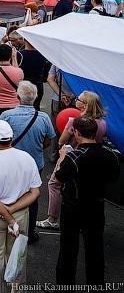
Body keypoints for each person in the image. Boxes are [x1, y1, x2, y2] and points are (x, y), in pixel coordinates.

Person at [0, 118, 41, 290]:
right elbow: (35, 192)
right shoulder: (26, 158)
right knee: (18, 256)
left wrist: (7, 216)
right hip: (20, 214)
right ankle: (17, 289)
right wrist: (12, 211)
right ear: (11, 138)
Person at [54, 116, 120, 285]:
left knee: (68, 250)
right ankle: (96, 285)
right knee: (95, 249)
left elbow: (60, 177)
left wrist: (62, 158)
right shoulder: (110, 155)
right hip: (96, 205)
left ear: (76, 133)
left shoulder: (74, 157)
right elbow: (113, 177)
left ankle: (65, 286)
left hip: (73, 206)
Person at [38, 90, 108, 231]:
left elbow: (61, 141)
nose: (76, 100)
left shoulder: (74, 121)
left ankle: (52, 219)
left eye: (79, 99)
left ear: (85, 105)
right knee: (83, 189)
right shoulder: (102, 124)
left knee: (54, 184)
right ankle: (83, 222)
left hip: (70, 158)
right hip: (90, 161)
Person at [0, 81, 53, 241]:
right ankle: (29, 232)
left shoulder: (7, 116)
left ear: (17, 97)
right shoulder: (43, 118)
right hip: (34, 163)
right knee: (32, 197)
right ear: (36, 97)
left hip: (10, 163)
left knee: (9, 194)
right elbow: (48, 140)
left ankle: (9, 227)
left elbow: (0, 139)